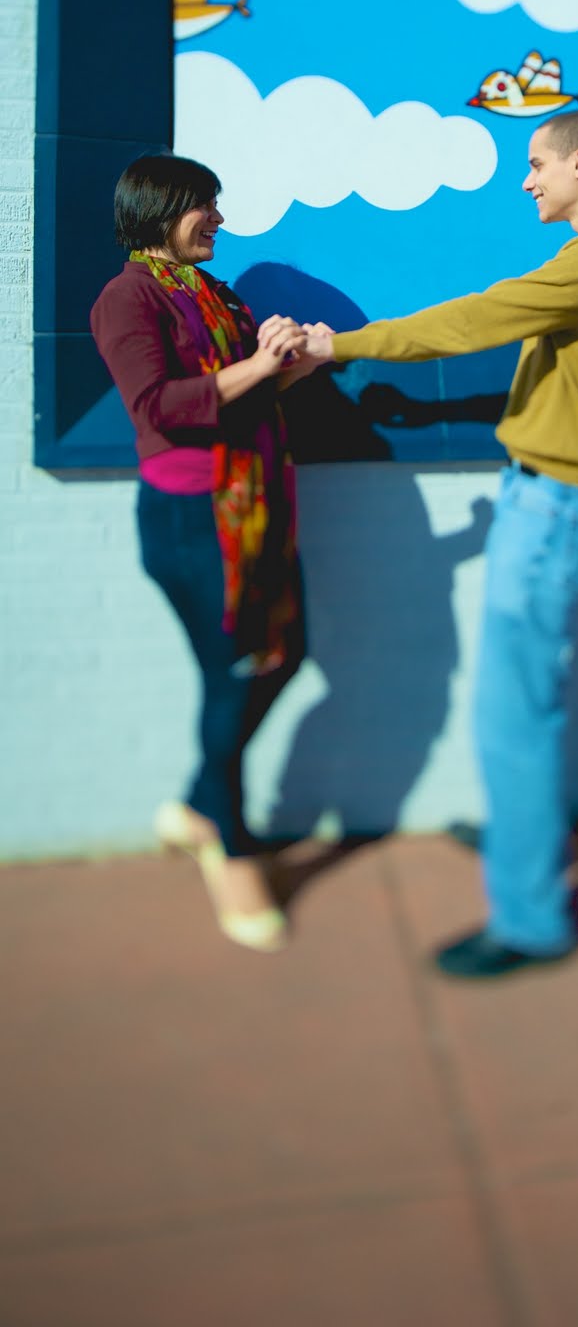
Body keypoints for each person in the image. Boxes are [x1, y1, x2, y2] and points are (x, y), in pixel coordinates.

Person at [300, 110, 578, 978]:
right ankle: (519, 833)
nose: (526, 180)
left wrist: (335, 344)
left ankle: (532, 922)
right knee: (519, 704)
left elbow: (477, 320)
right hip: (546, 499)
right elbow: (565, 360)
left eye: (536, 164)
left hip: (555, 508)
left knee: (513, 717)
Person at [91, 153, 328, 953]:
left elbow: (247, 393)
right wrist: (257, 365)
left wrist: (288, 365)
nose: (218, 221)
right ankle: (228, 845)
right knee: (233, 674)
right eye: (205, 207)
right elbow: (157, 407)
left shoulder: (215, 295)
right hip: (194, 518)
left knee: (286, 652)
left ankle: (198, 804)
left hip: (255, 507)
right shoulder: (127, 298)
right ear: (160, 209)